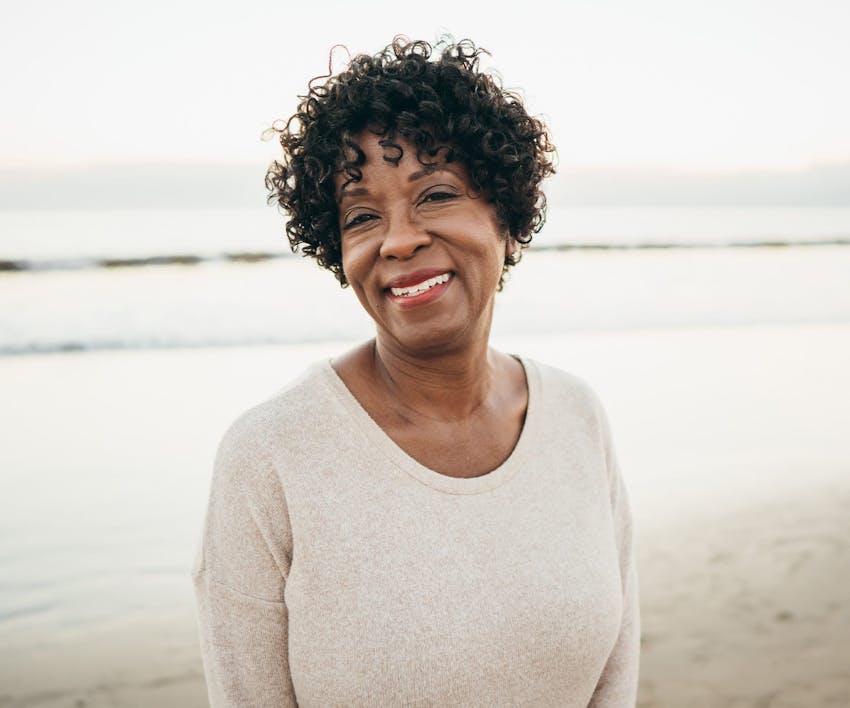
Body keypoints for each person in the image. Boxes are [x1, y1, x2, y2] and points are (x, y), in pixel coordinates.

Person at [192, 36, 639, 707]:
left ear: (507, 218)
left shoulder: (577, 416)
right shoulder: (271, 456)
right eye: (363, 216)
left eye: (433, 195)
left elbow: (616, 673)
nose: (397, 239)